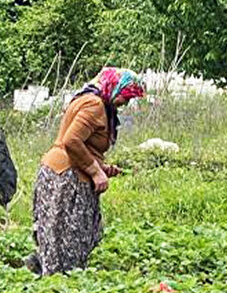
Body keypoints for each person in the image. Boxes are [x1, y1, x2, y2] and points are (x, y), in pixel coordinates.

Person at [28, 66, 146, 276]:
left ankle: (45, 270)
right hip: (66, 177)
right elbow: (71, 141)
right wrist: (95, 171)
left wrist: (104, 168)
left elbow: (86, 145)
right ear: (114, 87)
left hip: (63, 171)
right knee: (68, 239)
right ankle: (56, 287)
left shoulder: (92, 100)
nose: (126, 103)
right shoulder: (94, 105)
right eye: (125, 97)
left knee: (63, 236)